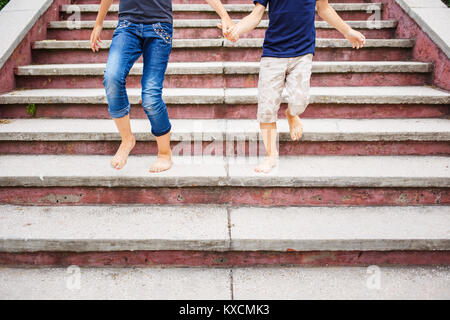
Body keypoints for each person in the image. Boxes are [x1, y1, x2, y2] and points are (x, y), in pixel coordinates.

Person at [90, 0, 234, 172]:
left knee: (150, 96)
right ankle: (127, 139)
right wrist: (99, 23)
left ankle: (164, 154)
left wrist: (224, 16)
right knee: (112, 77)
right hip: (127, 25)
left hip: (159, 27)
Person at [224, 0, 366, 173]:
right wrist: (237, 29)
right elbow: (256, 15)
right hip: (273, 53)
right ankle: (271, 156)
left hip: (302, 52)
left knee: (300, 100)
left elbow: (324, 8)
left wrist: (348, 31)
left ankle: (291, 114)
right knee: (266, 108)